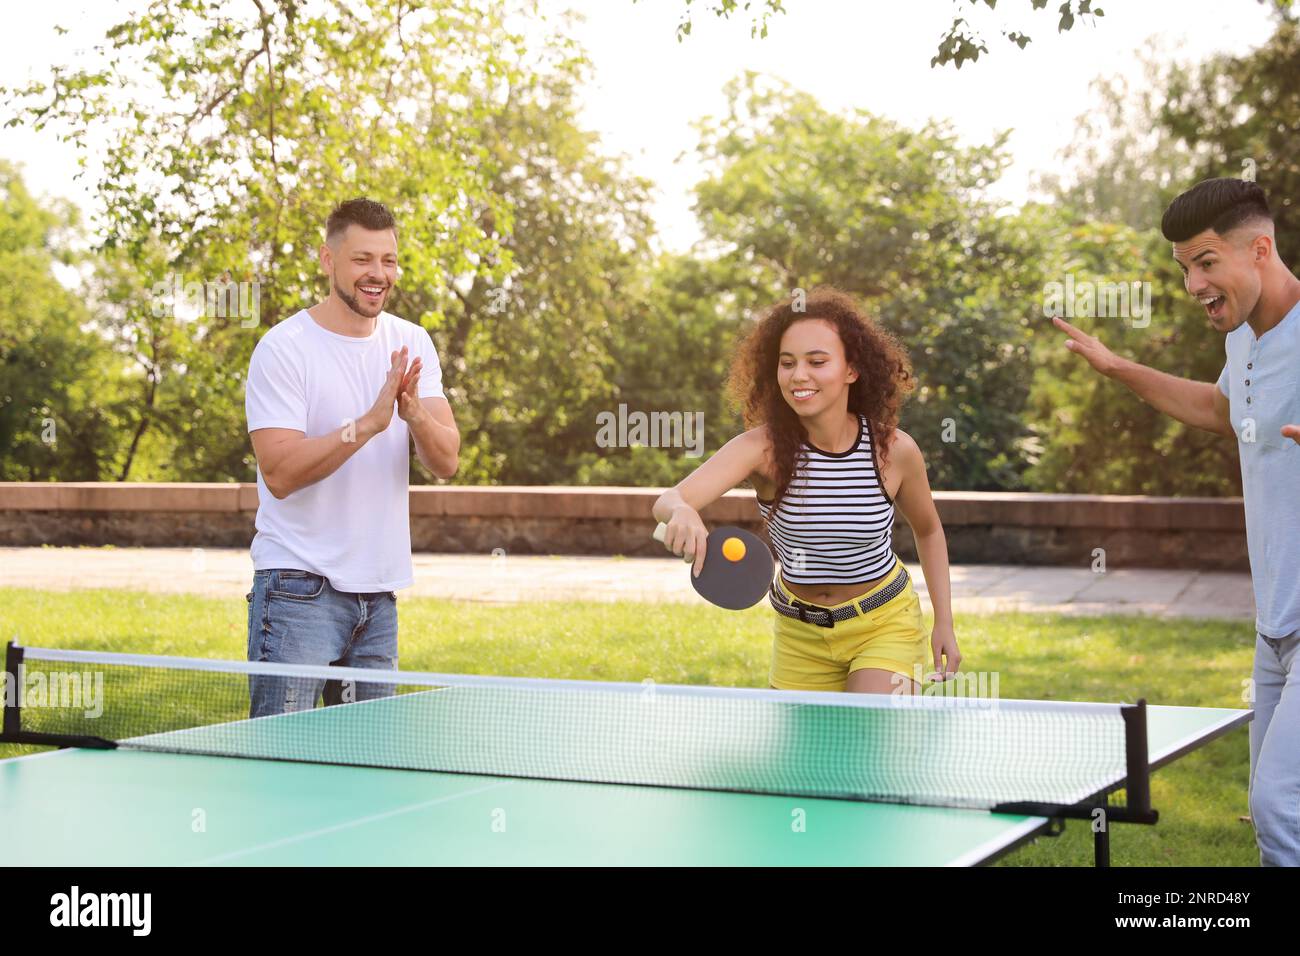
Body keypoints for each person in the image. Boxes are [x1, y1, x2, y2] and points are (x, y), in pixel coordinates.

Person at [1055, 177, 1300, 866]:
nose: (1193, 284)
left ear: (1260, 249)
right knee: (1275, 811)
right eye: (1184, 269)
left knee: (1282, 809)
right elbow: (1220, 413)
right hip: (1276, 633)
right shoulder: (1246, 341)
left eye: (1206, 262)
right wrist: (1116, 367)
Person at [653, 288, 961, 694]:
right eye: (787, 363)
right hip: (800, 635)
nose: (799, 375)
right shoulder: (762, 449)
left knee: (865, 740)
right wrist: (682, 512)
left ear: (852, 369)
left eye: (817, 361)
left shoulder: (894, 451)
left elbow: (929, 530)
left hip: (883, 623)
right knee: (807, 759)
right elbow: (669, 500)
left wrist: (945, 620)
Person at [243, 198, 460, 716]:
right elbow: (279, 473)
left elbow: (447, 460)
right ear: (328, 260)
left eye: (388, 260)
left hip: (378, 597)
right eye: (363, 259)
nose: (377, 274)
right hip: (298, 588)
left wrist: (414, 414)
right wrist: (364, 426)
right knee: (280, 762)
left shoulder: (412, 341)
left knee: (364, 769)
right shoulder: (284, 347)